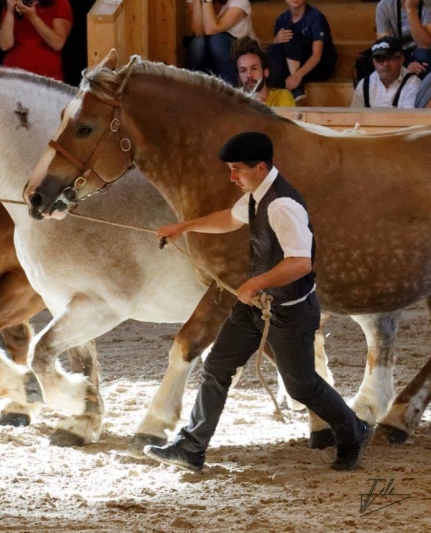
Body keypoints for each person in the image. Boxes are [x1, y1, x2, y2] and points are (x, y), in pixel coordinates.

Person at [146, 132, 372, 472]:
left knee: (301, 386)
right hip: (257, 307)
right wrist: (184, 227)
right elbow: (230, 218)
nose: (232, 177)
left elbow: (300, 263)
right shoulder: (256, 194)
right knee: (217, 366)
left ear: (261, 167)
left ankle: (354, 431)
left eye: (237, 169)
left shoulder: (282, 205)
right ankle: (192, 447)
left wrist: (255, 282)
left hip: (290, 312)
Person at [267, 0, 337, 100]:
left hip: (319, 65)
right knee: (274, 49)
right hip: (294, 64)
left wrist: (297, 76)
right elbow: (277, 51)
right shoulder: (282, 19)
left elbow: (317, 55)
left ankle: (297, 88)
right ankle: (281, 96)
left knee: (291, 35)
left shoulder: (315, 17)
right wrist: (276, 40)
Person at [185, 0, 257, 86]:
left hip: (238, 52)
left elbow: (211, 29)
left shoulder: (240, 1)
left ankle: (230, 90)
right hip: (209, 56)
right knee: (198, 43)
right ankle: (196, 91)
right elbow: (198, 31)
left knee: (217, 40)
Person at [0, 0, 73, 81]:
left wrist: (32, 16)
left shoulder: (60, 3)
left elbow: (57, 43)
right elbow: (4, 45)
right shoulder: (12, 5)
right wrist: (10, 11)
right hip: (12, 76)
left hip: (47, 78)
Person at [351, 36, 421, 108]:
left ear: (401, 59)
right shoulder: (364, 84)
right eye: (379, 59)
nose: (385, 64)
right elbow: (355, 117)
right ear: (373, 62)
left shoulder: (413, 84)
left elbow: (410, 118)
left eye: (390, 58)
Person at [233, 37, 296, 106]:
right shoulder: (235, 104)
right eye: (243, 70)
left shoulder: (281, 96)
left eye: (254, 68)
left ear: (266, 72)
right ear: (238, 76)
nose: (249, 75)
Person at [375, 0, 431, 77]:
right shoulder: (384, 6)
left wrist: (410, 9)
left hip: (424, 54)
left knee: (424, 56)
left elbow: (425, 44)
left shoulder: (428, 4)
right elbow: (385, 46)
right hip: (398, 55)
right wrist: (404, 65)